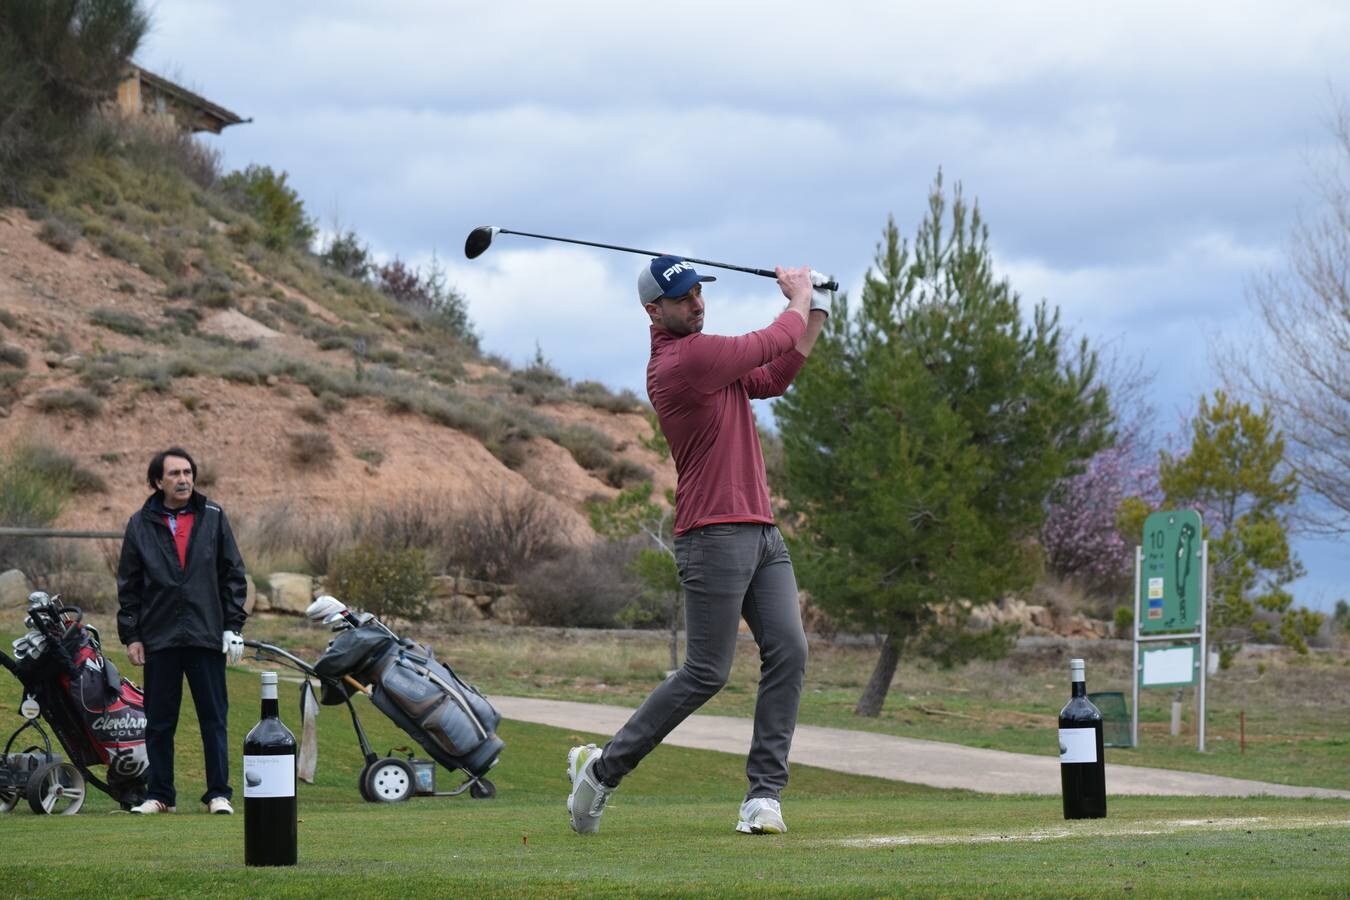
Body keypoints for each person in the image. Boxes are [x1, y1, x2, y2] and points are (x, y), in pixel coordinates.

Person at [567, 256, 829, 836]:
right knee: (706, 673)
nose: (697, 303)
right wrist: (799, 295)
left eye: (698, 293)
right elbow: (773, 338)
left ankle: (763, 797)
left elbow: (776, 375)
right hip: (711, 535)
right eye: (683, 298)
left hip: (761, 531)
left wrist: (820, 310)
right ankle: (602, 771)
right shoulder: (683, 361)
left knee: (789, 650)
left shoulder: (711, 360)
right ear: (653, 311)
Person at [116, 447, 248, 814]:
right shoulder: (139, 524)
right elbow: (128, 585)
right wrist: (132, 635)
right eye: (174, 474)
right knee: (159, 722)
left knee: (214, 718)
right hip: (159, 637)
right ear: (158, 481)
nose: (183, 479)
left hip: (206, 635)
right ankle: (160, 796)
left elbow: (232, 574)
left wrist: (232, 626)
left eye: (188, 472)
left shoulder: (213, 516)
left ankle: (219, 793)